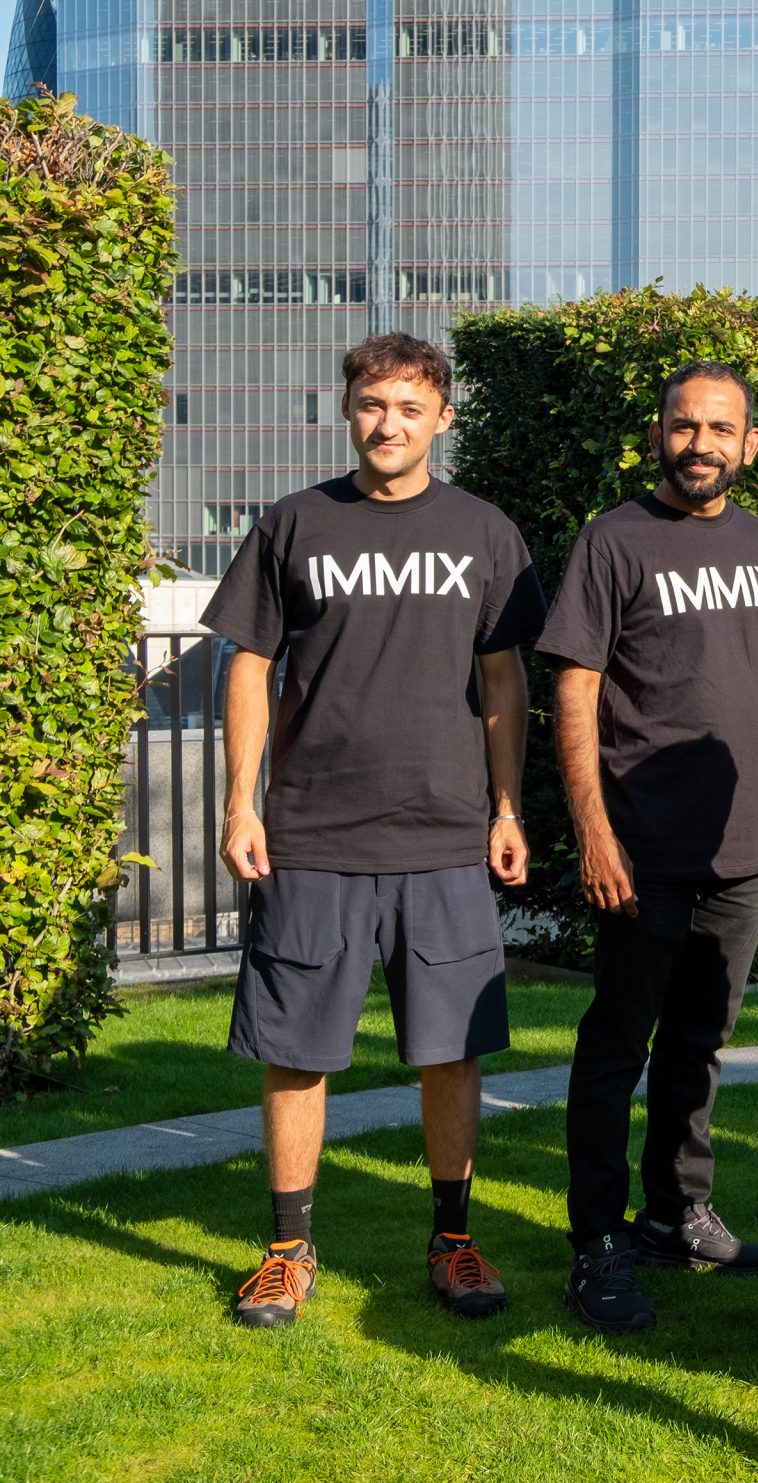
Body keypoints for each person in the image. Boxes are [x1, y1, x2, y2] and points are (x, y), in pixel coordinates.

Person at [210, 331, 546, 1329]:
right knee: (296, 1048)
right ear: (348, 409)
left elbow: (503, 679)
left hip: (444, 834)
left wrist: (507, 807)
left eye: (408, 407)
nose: (386, 423)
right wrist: (240, 801)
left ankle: (453, 1240)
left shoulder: (485, 531)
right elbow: (248, 666)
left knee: (453, 1050)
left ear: (442, 418)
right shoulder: (293, 524)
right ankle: (287, 1250)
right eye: (371, 404)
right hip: (312, 832)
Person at [541, 361, 758, 1331]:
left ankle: (676, 1212)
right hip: (639, 845)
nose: (701, 444)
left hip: (736, 846)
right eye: (685, 425)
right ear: (657, 434)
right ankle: (597, 1240)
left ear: (749, 444)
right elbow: (575, 689)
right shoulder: (613, 540)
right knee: (618, 1043)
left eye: (720, 428)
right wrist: (594, 832)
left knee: (701, 1041)